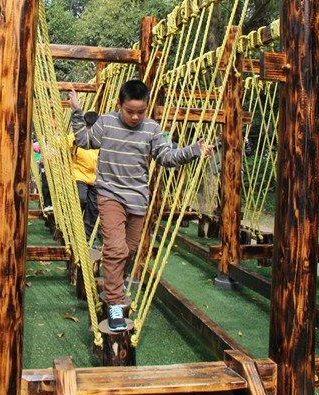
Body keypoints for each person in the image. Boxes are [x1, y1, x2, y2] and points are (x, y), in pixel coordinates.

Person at [69, 79, 213, 332]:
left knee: (129, 250)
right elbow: (84, 141)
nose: (135, 117)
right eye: (129, 111)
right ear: (119, 105)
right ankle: (114, 304)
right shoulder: (106, 122)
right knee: (115, 248)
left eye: (140, 111)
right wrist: (76, 112)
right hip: (110, 195)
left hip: (137, 199)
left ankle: (116, 281)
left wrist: (193, 150)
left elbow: (166, 157)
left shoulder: (152, 129)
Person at [68, 111, 99, 243]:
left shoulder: (101, 138)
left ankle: (87, 238)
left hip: (96, 179)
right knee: (81, 199)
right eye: (88, 127)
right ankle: (74, 227)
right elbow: (59, 144)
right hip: (79, 175)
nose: (90, 130)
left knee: (94, 208)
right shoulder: (75, 137)